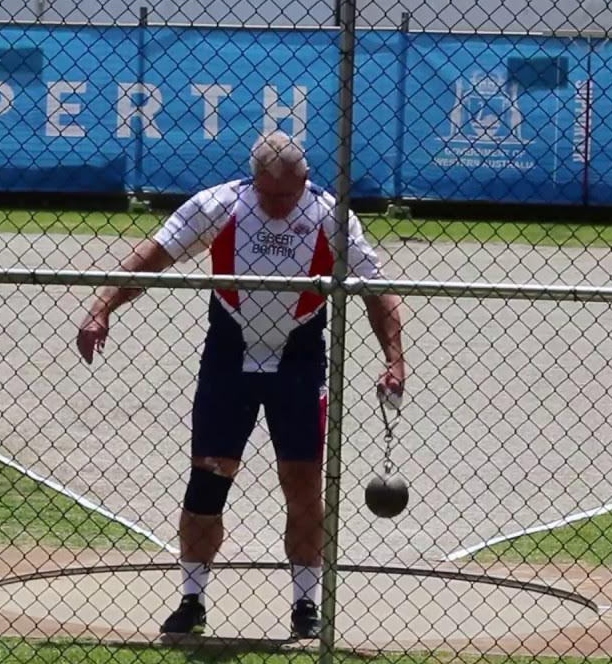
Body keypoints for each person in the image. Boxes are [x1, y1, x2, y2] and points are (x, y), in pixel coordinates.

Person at [76, 131, 406, 639]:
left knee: (302, 484)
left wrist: (394, 358)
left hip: (299, 362)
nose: (278, 204)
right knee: (208, 479)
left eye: (288, 194)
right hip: (228, 358)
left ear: (305, 180)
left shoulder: (331, 216)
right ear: (254, 179)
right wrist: (102, 308)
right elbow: (155, 255)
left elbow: (376, 289)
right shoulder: (219, 205)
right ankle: (191, 598)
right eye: (269, 193)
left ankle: (305, 604)